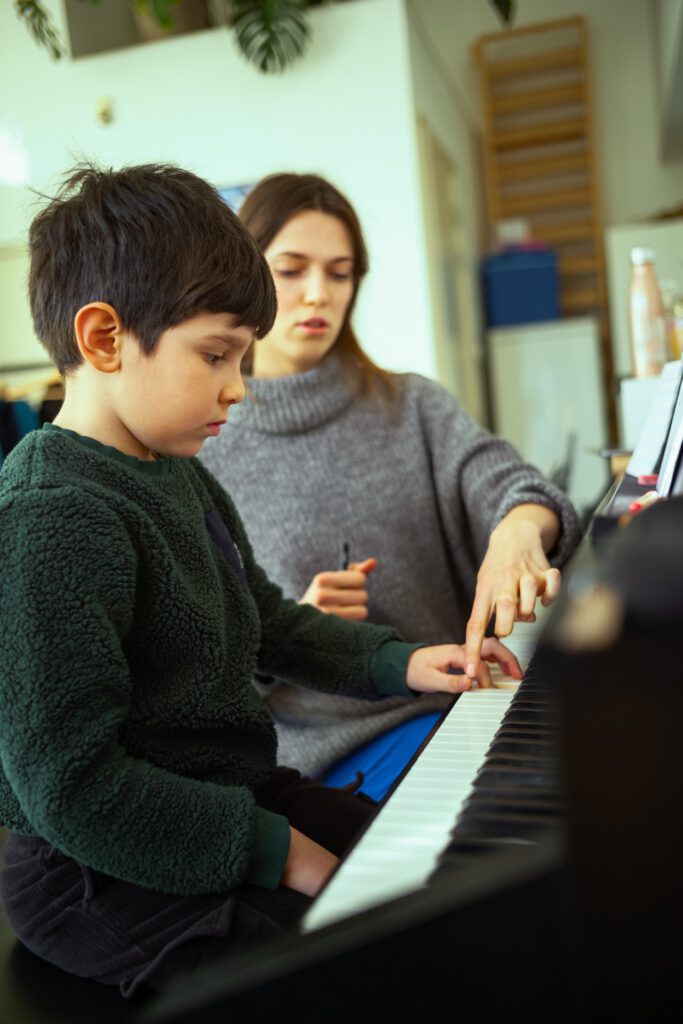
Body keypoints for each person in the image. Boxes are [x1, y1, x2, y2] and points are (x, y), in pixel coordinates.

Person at [0, 162, 520, 998]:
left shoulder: (177, 471)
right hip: (96, 868)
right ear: (103, 339)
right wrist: (277, 851)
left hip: (225, 791)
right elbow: (73, 789)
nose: (239, 387)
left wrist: (405, 662)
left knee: (431, 871)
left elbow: (268, 620)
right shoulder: (48, 515)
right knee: (337, 965)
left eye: (241, 357)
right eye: (216, 355)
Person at [199, 172, 583, 800]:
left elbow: (517, 488)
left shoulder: (411, 405)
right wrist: (295, 632)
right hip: (342, 753)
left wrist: (518, 530)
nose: (318, 294)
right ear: (249, 274)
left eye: (340, 272)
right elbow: (202, 677)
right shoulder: (205, 445)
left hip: (474, 704)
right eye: (292, 270)